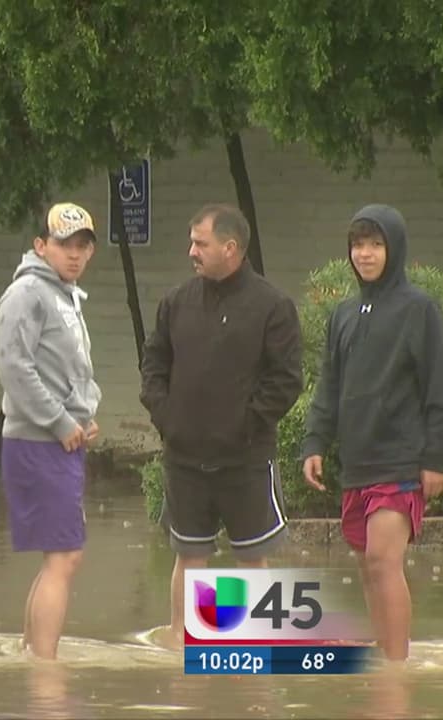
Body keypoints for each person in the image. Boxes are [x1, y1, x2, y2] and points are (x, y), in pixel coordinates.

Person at [139, 203, 303, 648]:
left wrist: (244, 425)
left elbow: (286, 381)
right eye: (192, 242)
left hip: (245, 460)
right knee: (189, 556)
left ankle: (246, 649)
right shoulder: (176, 302)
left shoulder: (272, 306)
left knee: (251, 559)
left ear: (230, 248)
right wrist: (168, 419)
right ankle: (184, 647)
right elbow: (154, 366)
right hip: (185, 459)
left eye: (200, 243)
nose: (191, 251)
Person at [301, 205, 443, 662]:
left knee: (383, 562)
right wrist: (314, 442)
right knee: (367, 568)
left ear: (394, 249)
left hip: (401, 461)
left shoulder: (418, 309)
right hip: (357, 463)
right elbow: (329, 386)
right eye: (357, 245)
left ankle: (396, 667)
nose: (364, 254)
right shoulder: (343, 314)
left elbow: (438, 386)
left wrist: (436, 458)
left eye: (375, 244)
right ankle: (384, 654)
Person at [0, 202, 102, 660]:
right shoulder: (27, 294)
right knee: (64, 557)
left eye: (83, 245)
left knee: (59, 557)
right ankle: (45, 669)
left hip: (60, 440)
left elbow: (65, 368)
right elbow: (14, 368)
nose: (74, 254)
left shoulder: (63, 294)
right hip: (38, 441)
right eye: (64, 244)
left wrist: (82, 413)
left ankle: (31, 656)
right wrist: (60, 421)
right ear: (40, 245)